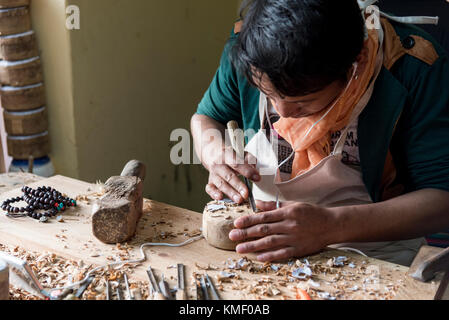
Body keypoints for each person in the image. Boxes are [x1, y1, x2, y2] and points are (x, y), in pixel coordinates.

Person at [191, 0, 449, 266]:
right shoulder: (251, 48)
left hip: (378, 254)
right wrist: (212, 151)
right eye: (267, 94)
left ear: (355, 62)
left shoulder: (415, 67)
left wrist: (332, 225)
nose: (283, 112)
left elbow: (442, 200)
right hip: (269, 246)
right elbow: (206, 118)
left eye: (302, 101)